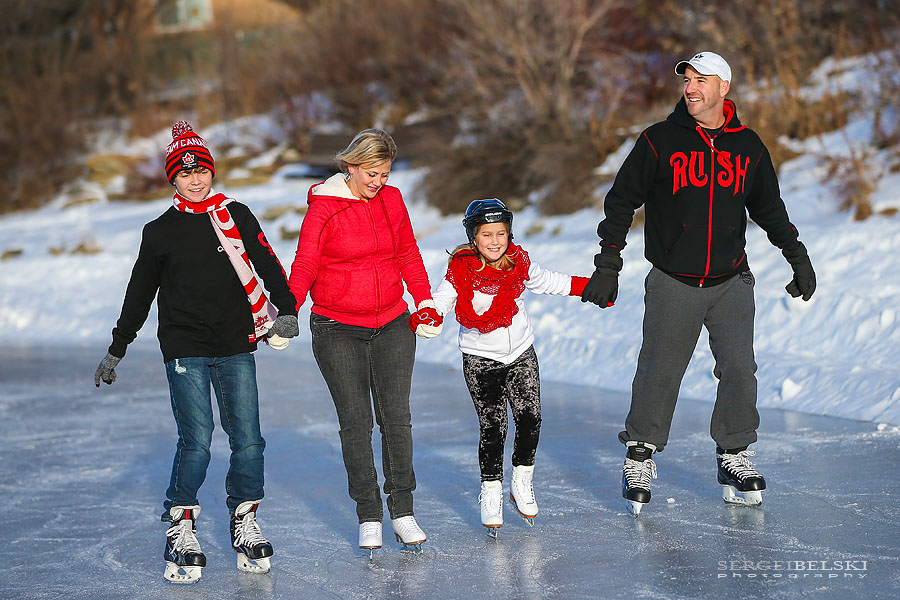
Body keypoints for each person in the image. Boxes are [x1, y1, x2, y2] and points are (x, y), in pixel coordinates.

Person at [581, 52, 816, 516]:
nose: (690, 87)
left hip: (731, 280)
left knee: (739, 369)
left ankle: (734, 455)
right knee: (660, 368)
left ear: (723, 87)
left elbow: (768, 208)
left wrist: (797, 255)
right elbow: (621, 201)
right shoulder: (659, 141)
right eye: (686, 79)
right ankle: (641, 454)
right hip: (674, 279)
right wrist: (609, 263)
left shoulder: (748, 146)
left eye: (700, 79)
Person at [93, 121, 299, 582]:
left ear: (211, 171)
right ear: (173, 179)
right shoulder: (160, 231)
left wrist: (286, 308)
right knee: (198, 439)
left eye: (201, 171)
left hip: (236, 341)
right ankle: (181, 523)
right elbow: (139, 292)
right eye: (185, 174)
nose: (195, 179)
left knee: (248, 438)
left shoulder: (237, 215)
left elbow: (267, 261)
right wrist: (118, 347)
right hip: (185, 344)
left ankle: (244, 518)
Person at [288, 128, 440, 553]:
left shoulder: (391, 200)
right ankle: (369, 512)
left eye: (385, 174)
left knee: (396, 418)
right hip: (337, 327)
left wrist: (424, 301)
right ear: (351, 166)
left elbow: (408, 253)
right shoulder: (325, 208)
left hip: (393, 322)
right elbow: (306, 262)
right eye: (372, 173)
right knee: (356, 423)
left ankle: (403, 509)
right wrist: (287, 310)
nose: (378, 182)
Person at [430, 199, 589, 534]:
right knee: (493, 428)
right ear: (474, 237)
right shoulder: (460, 268)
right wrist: (431, 313)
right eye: (487, 234)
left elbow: (548, 280)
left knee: (530, 418)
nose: (495, 240)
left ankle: (521, 481)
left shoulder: (518, 262)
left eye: (501, 233)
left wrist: (587, 287)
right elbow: (443, 297)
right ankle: (491, 492)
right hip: (478, 357)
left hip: (520, 351)